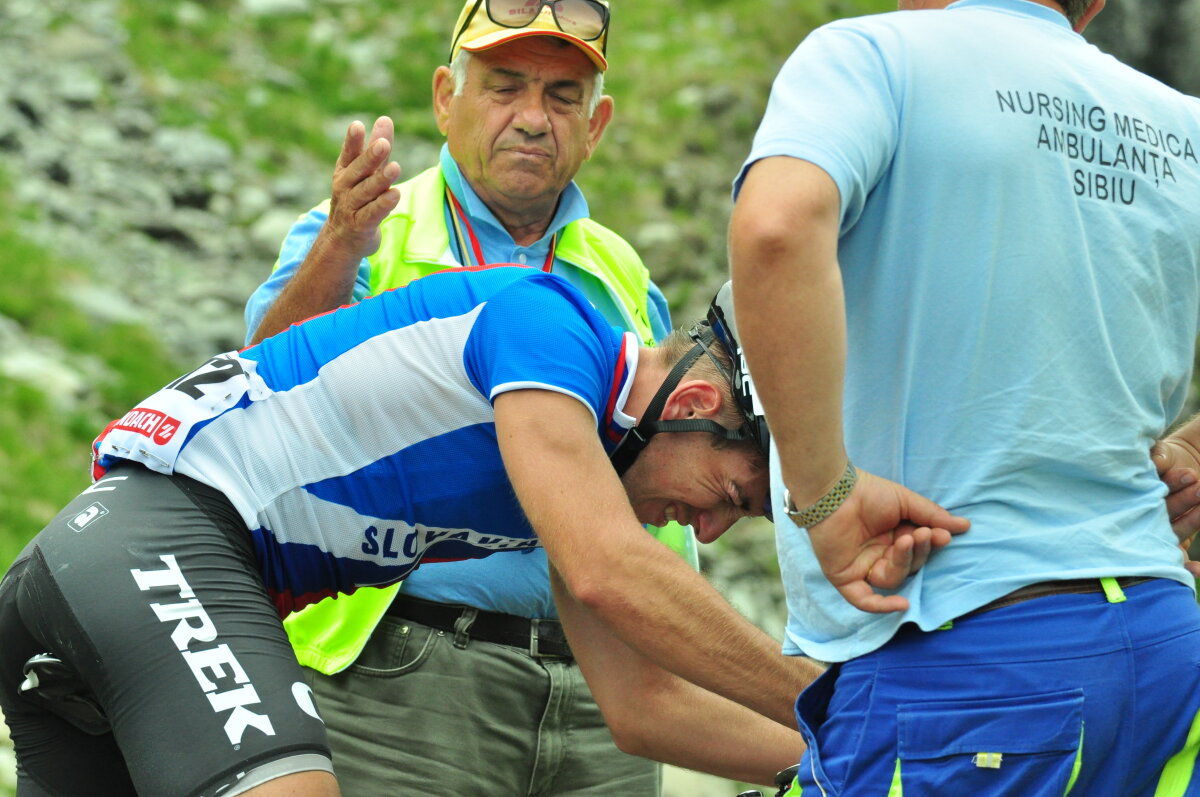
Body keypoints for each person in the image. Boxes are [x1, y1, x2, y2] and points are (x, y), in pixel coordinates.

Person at [0, 266, 858, 796]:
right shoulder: (553, 328)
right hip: (156, 541)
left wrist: (848, 765)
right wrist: (845, 709)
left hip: (112, 584)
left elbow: (644, 707)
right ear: (702, 403)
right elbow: (611, 570)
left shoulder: (569, 472)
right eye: (729, 493)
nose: (704, 529)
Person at [730, 0, 1200, 793]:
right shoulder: (1178, 121)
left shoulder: (871, 56)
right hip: (1165, 648)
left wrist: (826, 497)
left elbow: (775, 229)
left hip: (965, 661)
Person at [243, 1, 688, 792]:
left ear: (598, 124)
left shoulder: (622, 272)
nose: (532, 118)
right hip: (407, 674)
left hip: (605, 688)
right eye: (504, 87)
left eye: (562, 97)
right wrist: (341, 243)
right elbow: (255, 388)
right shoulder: (365, 227)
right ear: (446, 98)